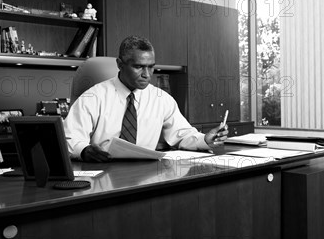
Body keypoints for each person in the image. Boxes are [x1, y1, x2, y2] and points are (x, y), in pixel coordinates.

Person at [64, 35, 228, 162]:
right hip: (103, 172)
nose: (147, 75)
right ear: (120, 64)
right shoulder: (93, 97)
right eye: (138, 67)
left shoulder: (161, 99)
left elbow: (182, 135)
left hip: (145, 173)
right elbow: (70, 139)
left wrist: (204, 139)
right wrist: (84, 150)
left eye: (151, 67)